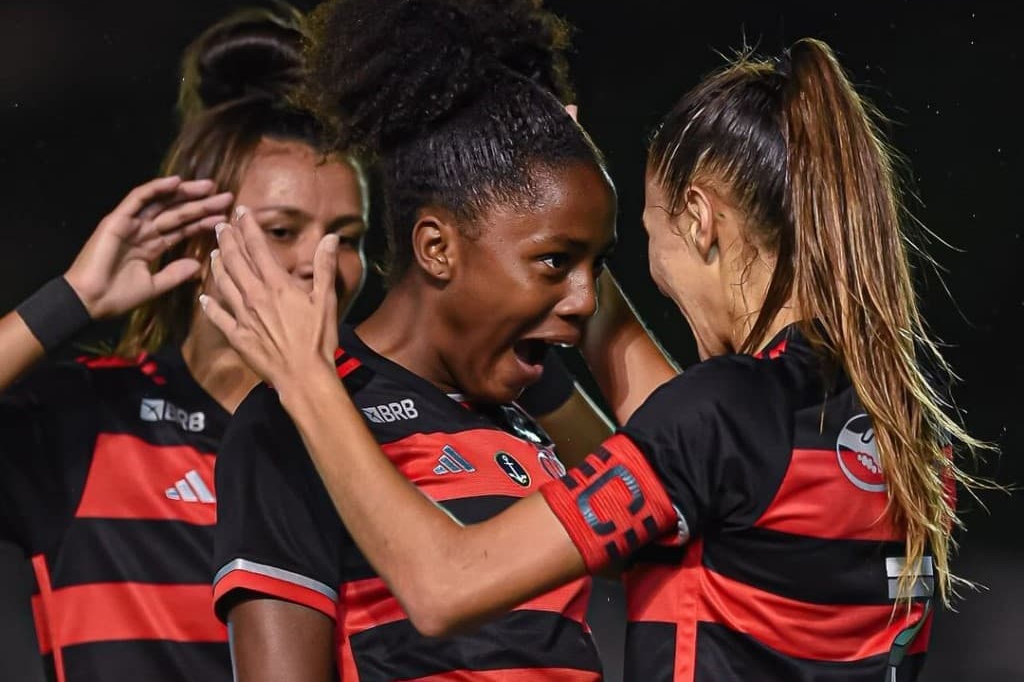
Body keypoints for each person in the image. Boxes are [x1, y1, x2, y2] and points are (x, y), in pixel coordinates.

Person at [207, 37, 982, 681]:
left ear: (700, 221)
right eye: (567, 262)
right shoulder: (906, 419)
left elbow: (447, 585)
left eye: (629, 244)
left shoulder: (721, 416)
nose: (597, 290)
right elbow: (687, 442)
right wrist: (538, 188)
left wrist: (305, 376)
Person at [209, 0, 673, 682]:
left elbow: (664, 514)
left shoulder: (535, 415)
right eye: (556, 261)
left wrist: (555, 196)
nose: (585, 298)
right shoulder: (298, 422)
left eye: (598, 264)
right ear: (436, 248)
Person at [0, 3, 369, 682]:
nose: (320, 263)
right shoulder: (89, 418)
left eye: (347, 237)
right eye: (283, 229)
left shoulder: (390, 423)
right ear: (198, 235)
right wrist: (71, 300)